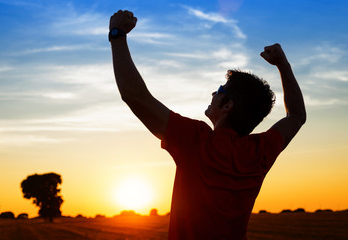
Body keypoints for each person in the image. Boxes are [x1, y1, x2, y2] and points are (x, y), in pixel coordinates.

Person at [109, 10, 306, 240]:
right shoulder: (259, 152)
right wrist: (283, 64)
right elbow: (297, 116)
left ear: (227, 105)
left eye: (220, 91)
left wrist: (118, 34)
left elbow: (135, 96)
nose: (214, 92)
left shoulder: (196, 140)